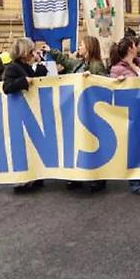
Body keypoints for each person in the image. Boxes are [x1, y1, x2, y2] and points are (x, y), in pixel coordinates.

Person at [48, 36, 108, 193]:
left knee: (92, 144)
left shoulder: (96, 65)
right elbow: (65, 61)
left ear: (89, 47)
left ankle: (97, 178)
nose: (79, 47)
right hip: (76, 110)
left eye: (81, 45)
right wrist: (51, 51)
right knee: (77, 144)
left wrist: (92, 79)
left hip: (90, 112)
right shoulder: (79, 63)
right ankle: (77, 177)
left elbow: (105, 84)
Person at [110, 36, 140, 195]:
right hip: (131, 113)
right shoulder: (117, 69)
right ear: (131, 47)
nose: (139, 47)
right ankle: (136, 182)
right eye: (136, 45)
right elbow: (113, 90)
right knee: (135, 149)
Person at [3, 38, 48, 193]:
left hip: (29, 112)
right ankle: (23, 179)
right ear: (24, 53)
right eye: (30, 51)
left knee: (32, 145)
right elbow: (7, 87)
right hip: (20, 112)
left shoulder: (25, 66)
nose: (32, 54)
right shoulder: (12, 68)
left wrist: (40, 67)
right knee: (23, 146)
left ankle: (36, 175)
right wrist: (23, 81)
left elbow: (35, 80)